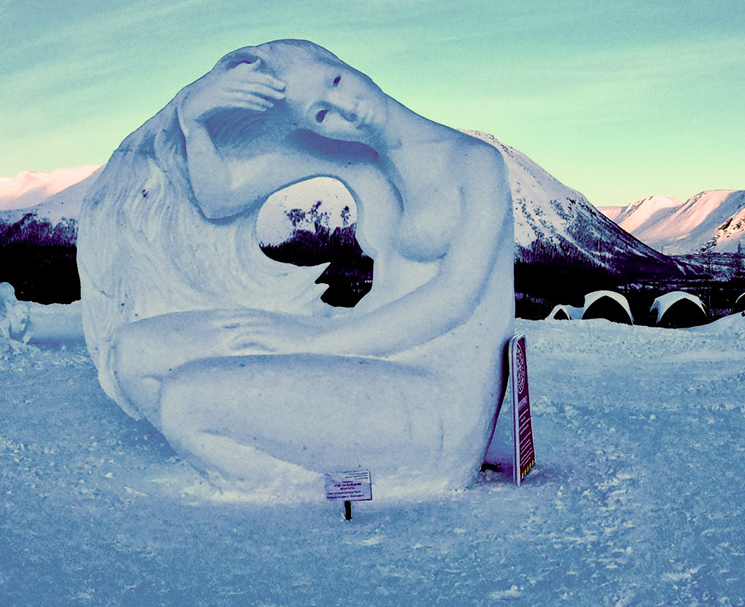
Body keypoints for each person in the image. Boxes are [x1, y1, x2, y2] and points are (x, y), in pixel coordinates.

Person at [77, 40, 513, 496]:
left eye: (336, 81)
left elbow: (456, 296)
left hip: (434, 395)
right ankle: (295, 465)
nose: (347, 107)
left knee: (186, 404)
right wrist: (194, 121)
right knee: (134, 356)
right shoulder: (355, 158)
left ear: (347, 65)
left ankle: (309, 489)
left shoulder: (475, 162)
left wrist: (315, 339)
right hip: (365, 350)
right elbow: (218, 198)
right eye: (320, 114)